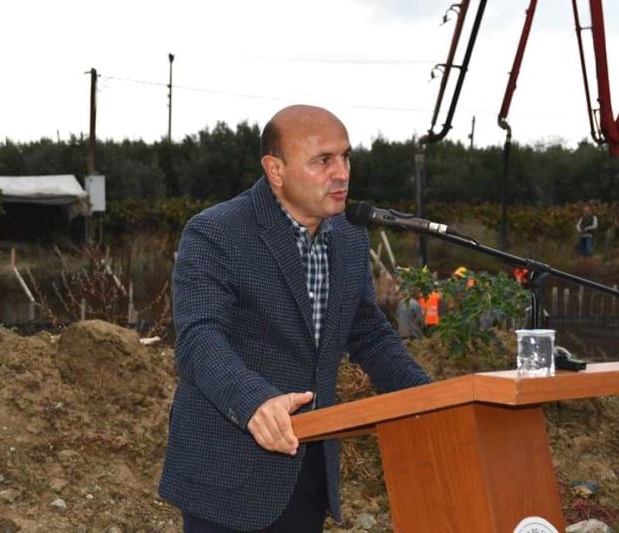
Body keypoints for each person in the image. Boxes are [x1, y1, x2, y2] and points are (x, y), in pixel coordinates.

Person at [158, 104, 431, 532]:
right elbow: (198, 339)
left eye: (346, 157)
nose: (341, 173)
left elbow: (368, 332)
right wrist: (253, 401)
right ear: (276, 169)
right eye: (323, 160)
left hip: (308, 467)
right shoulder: (216, 232)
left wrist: (432, 401)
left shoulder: (349, 235)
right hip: (228, 468)